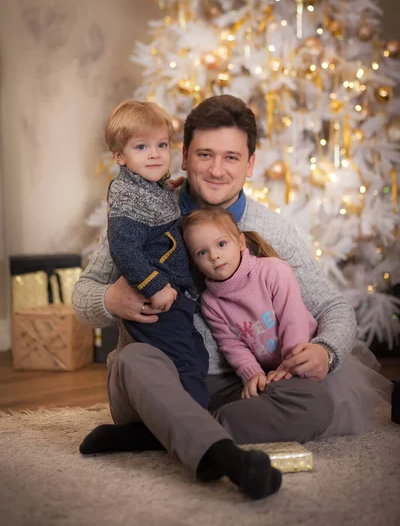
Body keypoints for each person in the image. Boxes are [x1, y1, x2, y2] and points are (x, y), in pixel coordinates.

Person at [73, 94, 354, 495]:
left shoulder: (271, 229)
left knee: (315, 404)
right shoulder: (145, 208)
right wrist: (109, 300)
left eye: (232, 157)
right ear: (183, 156)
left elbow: (333, 306)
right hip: (156, 381)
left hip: (235, 389)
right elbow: (82, 295)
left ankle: (167, 435)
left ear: (250, 164)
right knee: (134, 359)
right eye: (205, 154)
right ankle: (217, 449)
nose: (217, 170)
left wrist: (326, 350)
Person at [181, 207, 391, 432]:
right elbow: (232, 345)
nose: (214, 255)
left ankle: (208, 429)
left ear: (241, 242)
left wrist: (290, 366)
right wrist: (252, 374)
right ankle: (210, 427)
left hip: (299, 359)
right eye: (202, 252)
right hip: (265, 371)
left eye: (222, 244)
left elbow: (293, 319)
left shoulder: (273, 271)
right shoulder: (211, 302)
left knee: (309, 401)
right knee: (256, 395)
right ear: (194, 261)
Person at [104, 99, 209, 409]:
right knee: (186, 365)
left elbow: (157, 195)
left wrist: (168, 186)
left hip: (175, 298)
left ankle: (155, 430)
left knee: (197, 354)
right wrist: (153, 285)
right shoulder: (127, 198)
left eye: (162, 145)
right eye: (141, 147)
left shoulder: (150, 186)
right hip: (158, 299)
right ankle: (200, 431)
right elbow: (124, 249)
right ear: (120, 156)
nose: (154, 154)